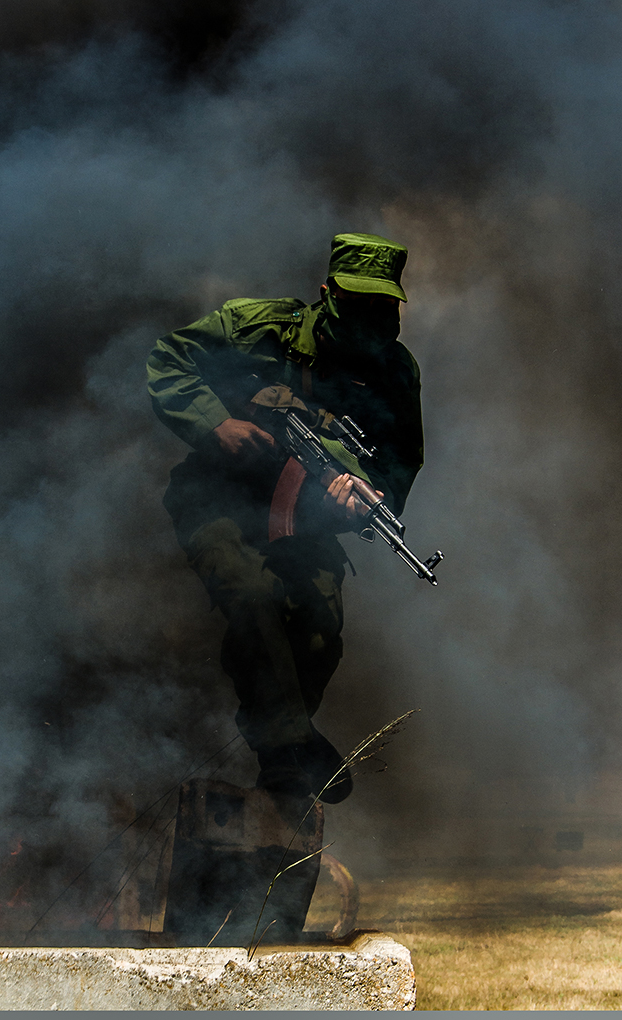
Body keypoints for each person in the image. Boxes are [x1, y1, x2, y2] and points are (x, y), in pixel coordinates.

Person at [147, 233, 424, 802]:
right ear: (327, 293)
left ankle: (287, 746)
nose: (369, 316)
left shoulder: (395, 372)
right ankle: (285, 752)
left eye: (382, 305)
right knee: (251, 595)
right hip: (219, 499)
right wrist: (214, 425)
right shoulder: (260, 327)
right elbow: (169, 359)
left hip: (308, 515)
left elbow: (401, 459)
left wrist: (365, 496)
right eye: (356, 301)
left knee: (320, 632)